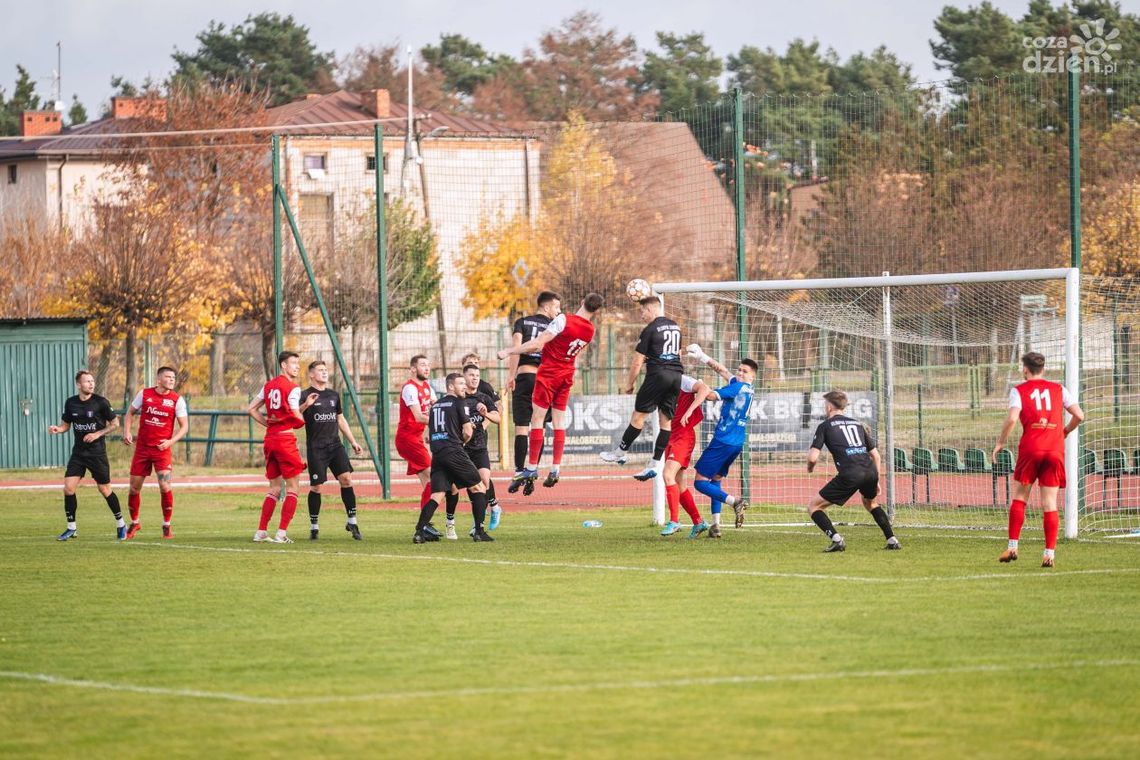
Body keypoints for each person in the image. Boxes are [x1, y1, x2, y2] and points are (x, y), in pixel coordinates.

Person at [497, 293, 604, 491]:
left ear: (582, 302)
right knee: (558, 422)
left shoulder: (563, 319)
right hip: (567, 374)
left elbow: (537, 344)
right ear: (596, 311)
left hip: (548, 373)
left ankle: (530, 468)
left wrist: (509, 352)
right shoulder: (590, 330)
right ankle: (555, 468)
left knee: (535, 420)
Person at [993, 351, 1084, 568]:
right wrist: (1065, 431)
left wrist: (1001, 442)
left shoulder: (1019, 390)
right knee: (1049, 503)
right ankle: (1049, 554)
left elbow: (1013, 418)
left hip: (1031, 449)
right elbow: (1079, 415)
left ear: (1025, 369)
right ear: (1042, 369)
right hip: (1054, 450)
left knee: (1020, 497)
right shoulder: (1058, 389)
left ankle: (1013, 546)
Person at [601, 295, 682, 480]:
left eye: (643, 311)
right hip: (676, 375)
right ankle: (654, 464)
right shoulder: (676, 326)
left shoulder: (650, 329)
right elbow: (678, 354)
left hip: (657, 376)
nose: (641, 315)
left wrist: (629, 385)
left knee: (638, 416)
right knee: (666, 423)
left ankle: (620, 452)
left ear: (652, 309)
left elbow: (637, 362)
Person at [806, 391, 899, 552]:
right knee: (870, 503)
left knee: (814, 506)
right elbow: (876, 456)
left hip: (850, 473)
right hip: (869, 470)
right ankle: (892, 539)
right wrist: (876, 479)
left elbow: (813, 457)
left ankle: (837, 540)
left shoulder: (825, 426)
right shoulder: (858, 424)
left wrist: (810, 467)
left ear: (828, 407)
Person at [679, 345, 756, 538]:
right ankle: (716, 525)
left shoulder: (736, 387)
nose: (739, 372)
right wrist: (703, 357)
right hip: (736, 443)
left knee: (699, 483)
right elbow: (723, 370)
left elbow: (711, 396)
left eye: (744, 371)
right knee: (715, 480)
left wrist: (699, 385)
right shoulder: (747, 387)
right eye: (739, 369)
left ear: (752, 376)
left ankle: (734, 502)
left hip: (722, 441)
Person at [413, 373, 492, 543]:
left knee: (437, 495)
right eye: (461, 383)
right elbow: (468, 431)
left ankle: (419, 531)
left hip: (438, 454)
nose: (464, 386)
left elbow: (429, 435)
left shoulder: (436, 406)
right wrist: (463, 438)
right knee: (479, 487)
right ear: (450, 387)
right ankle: (479, 531)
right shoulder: (459, 402)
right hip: (454, 451)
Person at [248, 351, 316, 544]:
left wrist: (270, 423)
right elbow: (294, 418)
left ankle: (261, 531)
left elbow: (251, 409)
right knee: (293, 487)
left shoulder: (268, 386)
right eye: (293, 363)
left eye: (297, 363)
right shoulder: (293, 388)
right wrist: (301, 415)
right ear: (283, 366)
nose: (297, 366)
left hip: (270, 440)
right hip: (285, 441)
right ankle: (281, 533)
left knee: (274, 488)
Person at [48, 370, 125, 541]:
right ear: (78, 384)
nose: (91, 384)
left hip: (97, 453)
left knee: (104, 489)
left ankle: (121, 524)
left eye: (92, 381)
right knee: (68, 488)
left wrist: (97, 434)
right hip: (79, 453)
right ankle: (71, 528)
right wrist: (58, 429)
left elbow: (115, 423)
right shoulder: (71, 403)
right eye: (87, 381)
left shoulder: (101, 402)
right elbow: (66, 425)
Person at [122, 366, 188, 540]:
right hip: (142, 449)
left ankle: (167, 525)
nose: (172, 380)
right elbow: (129, 413)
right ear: (159, 379)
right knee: (134, 488)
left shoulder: (177, 400)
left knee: (165, 486)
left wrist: (170, 442)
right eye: (168, 377)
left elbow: (184, 427)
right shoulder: (144, 394)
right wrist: (127, 432)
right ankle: (135, 523)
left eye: (174, 377)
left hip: (162, 450)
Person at [301, 360, 364, 541]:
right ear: (311, 374)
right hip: (316, 448)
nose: (324, 372)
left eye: (325, 370)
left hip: (335, 445)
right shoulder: (305, 395)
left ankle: (352, 521)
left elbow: (340, 419)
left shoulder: (333, 395)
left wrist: (352, 442)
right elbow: (295, 414)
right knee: (317, 487)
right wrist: (306, 405)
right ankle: (314, 526)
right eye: (320, 370)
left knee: (346, 479)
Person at [505, 292, 561, 494]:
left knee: (521, 427)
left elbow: (516, 348)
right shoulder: (555, 326)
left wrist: (511, 376)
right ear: (547, 307)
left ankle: (519, 472)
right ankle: (532, 471)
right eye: (556, 308)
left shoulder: (522, 322)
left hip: (525, 377)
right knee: (540, 429)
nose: (559, 312)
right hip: (545, 380)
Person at [449, 364, 502, 538]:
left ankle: (478, 524)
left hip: (479, 448)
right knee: (458, 488)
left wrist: (486, 414)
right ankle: (451, 523)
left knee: (484, 481)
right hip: (462, 450)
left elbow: (498, 418)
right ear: (464, 378)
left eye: (477, 375)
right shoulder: (458, 399)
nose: (475, 378)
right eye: (471, 375)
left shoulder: (483, 397)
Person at [660, 374, 711, 538]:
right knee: (679, 484)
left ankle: (674, 521)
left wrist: (690, 411)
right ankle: (698, 522)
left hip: (683, 435)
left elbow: (704, 389)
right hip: (671, 436)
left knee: (667, 475)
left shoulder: (682, 380)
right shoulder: (657, 383)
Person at [396, 355, 437, 534]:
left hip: (417, 438)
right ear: (413, 369)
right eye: (422, 365)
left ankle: (425, 522)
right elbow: (419, 416)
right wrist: (442, 424)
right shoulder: (409, 388)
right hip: (407, 439)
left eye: (428, 365)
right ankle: (424, 524)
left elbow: (435, 408)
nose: (426, 368)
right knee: (433, 477)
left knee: (428, 481)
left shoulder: (428, 387)